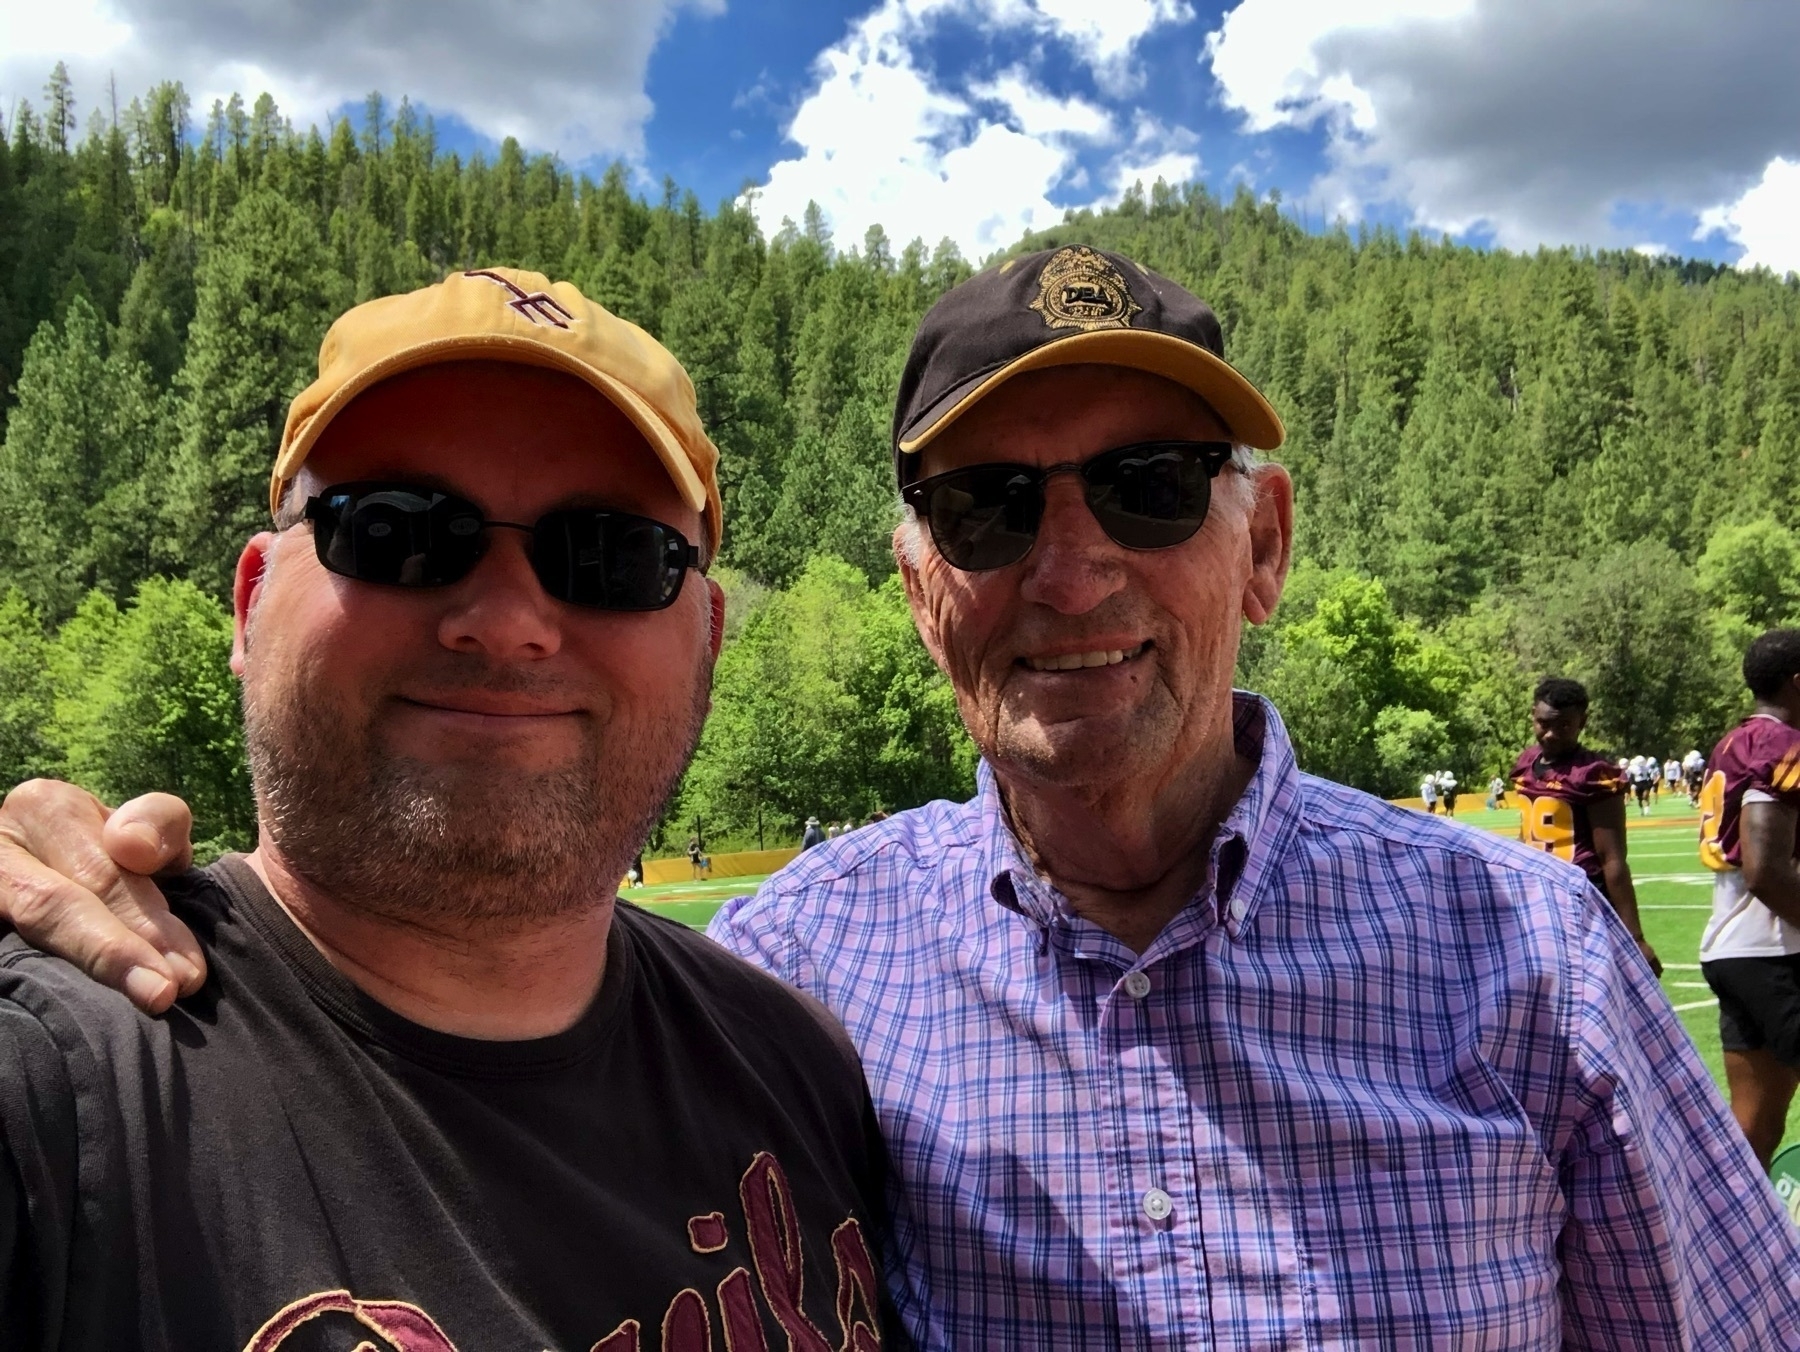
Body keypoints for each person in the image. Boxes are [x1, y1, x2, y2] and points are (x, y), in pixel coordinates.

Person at [7, 245, 1800, 1345]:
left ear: (1267, 546)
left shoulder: (1529, 954)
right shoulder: (800, 977)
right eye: (992, 507)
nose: (1075, 567)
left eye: (1156, 486)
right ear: (920, 576)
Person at [0, 270, 894, 1348]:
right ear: (248, 602)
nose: (508, 617)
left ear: (708, 638)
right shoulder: (61, 1078)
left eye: (610, 554)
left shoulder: (797, 1061)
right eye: (395, 530)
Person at [1696, 627, 1800, 1167]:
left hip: (1732, 946)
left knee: (1755, 1124)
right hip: (1775, 950)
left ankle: (1731, 1244)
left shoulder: (1733, 741)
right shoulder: (1782, 746)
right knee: (1755, 1121)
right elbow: (1764, 872)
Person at [1511, 678, 1661, 975]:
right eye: (1543, 723)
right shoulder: (1527, 762)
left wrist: (1636, 937)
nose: (1551, 734)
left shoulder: (1592, 773)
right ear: (1533, 716)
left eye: (1564, 725)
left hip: (1580, 900)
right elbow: (1526, 833)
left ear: (1583, 722)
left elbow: (1613, 858)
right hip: (1537, 899)